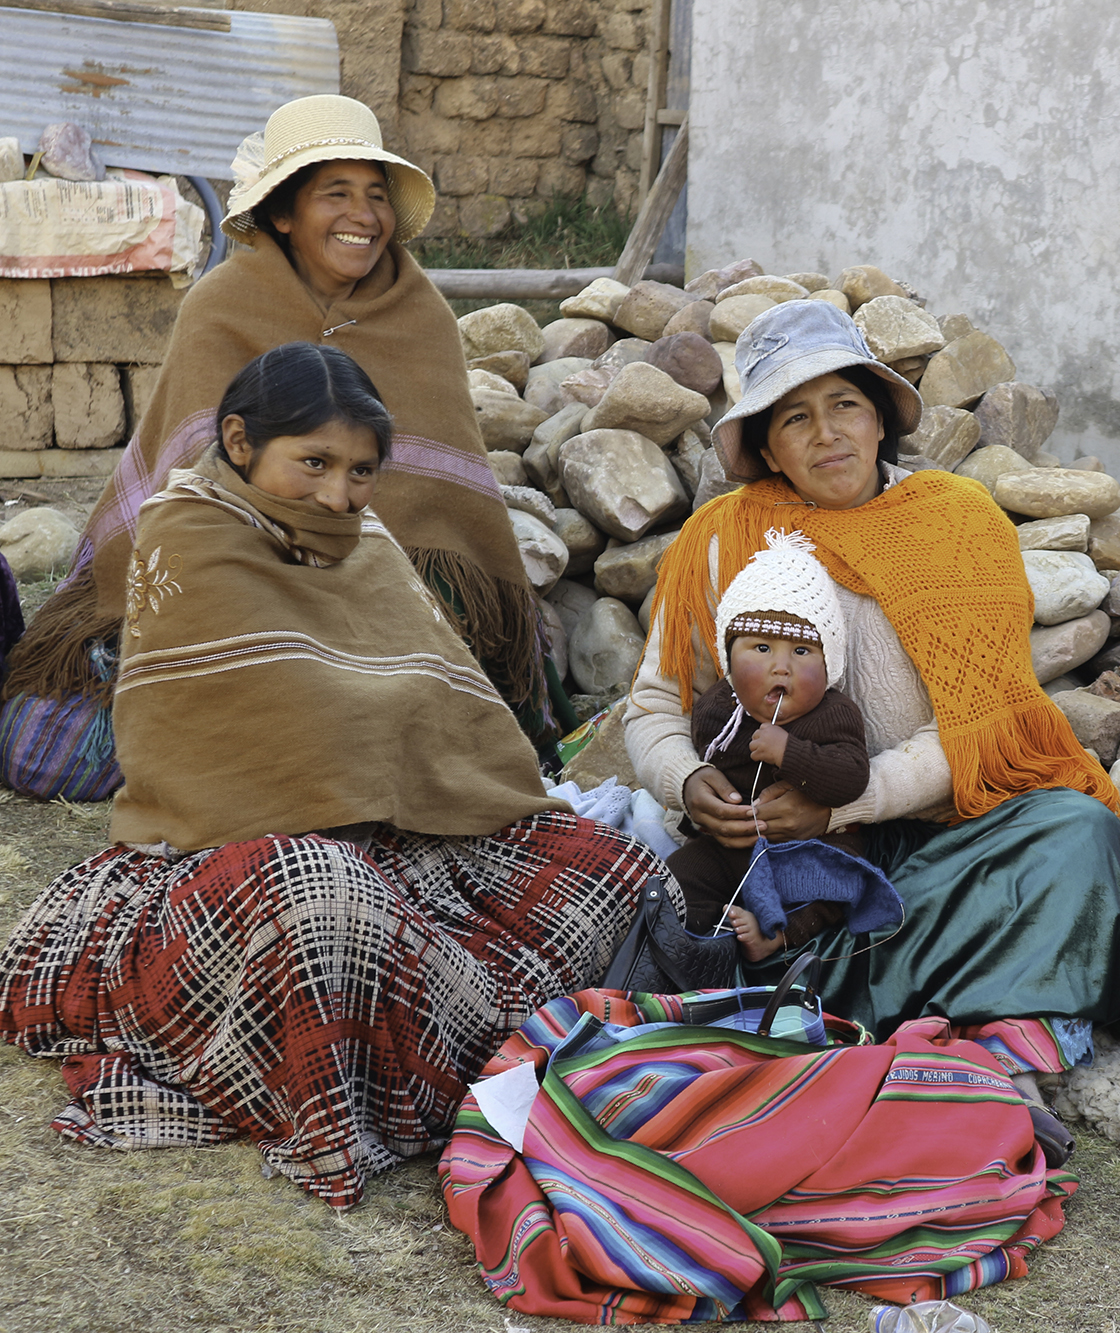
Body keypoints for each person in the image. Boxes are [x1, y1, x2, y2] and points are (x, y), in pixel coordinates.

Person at [0, 345, 649, 1210]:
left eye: (361, 473)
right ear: (238, 440)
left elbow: (438, 693)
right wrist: (371, 738)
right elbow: (261, 722)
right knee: (324, 901)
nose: (339, 496)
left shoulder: (363, 539)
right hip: (225, 851)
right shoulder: (189, 529)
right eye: (314, 463)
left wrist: (411, 769)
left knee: (605, 863)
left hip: (396, 832)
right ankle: (419, 1063)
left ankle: (463, 1034)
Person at [625, 299, 1120, 1125]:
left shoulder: (958, 525)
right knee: (691, 890)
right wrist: (689, 783)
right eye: (795, 417)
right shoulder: (721, 541)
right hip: (784, 857)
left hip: (938, 834)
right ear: (765, 446)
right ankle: (959, 1004)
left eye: (845, 405)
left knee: (1077, 833)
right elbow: (656, 701)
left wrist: (846, 799)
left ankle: (854, 1000)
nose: (826, 433)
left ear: (878, 418)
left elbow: (976, 727)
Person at [0, 94, 561, 800]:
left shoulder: (423, 319)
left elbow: (443, 508)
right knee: (40, 751)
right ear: (285, 213)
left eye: (377, 195)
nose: (365, 216)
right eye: (337, 194)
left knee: (421, 732)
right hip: (224, 593)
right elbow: (181, 493)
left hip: (385, 611)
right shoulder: (221, 308)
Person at [664, 528, 881, 979]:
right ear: (728, 659)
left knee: (837, 885)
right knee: (680, 875)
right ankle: (701, 946)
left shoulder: (834, 714)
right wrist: (705, 797)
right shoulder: (719, 709)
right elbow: (709, 756)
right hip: (734, 845)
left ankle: (777, 937)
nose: (779, 666)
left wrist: (791, 752)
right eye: (761, 649)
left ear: (829, 666)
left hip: (811, 846)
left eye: (801, 651)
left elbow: (851, 777)